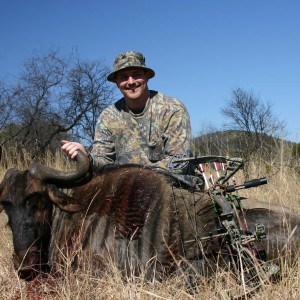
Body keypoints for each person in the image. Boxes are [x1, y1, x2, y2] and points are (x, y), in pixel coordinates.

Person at [61, 51, 192, 174]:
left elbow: (179, 162)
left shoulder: (172, 109)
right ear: (117, 83)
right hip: (126, 189)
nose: (131, 82)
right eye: (124, 77)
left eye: (136, 74)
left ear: (147, 77)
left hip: (170, 186)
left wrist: (135, 178)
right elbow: (103, 161)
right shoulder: (108, 117)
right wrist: (87, 157)